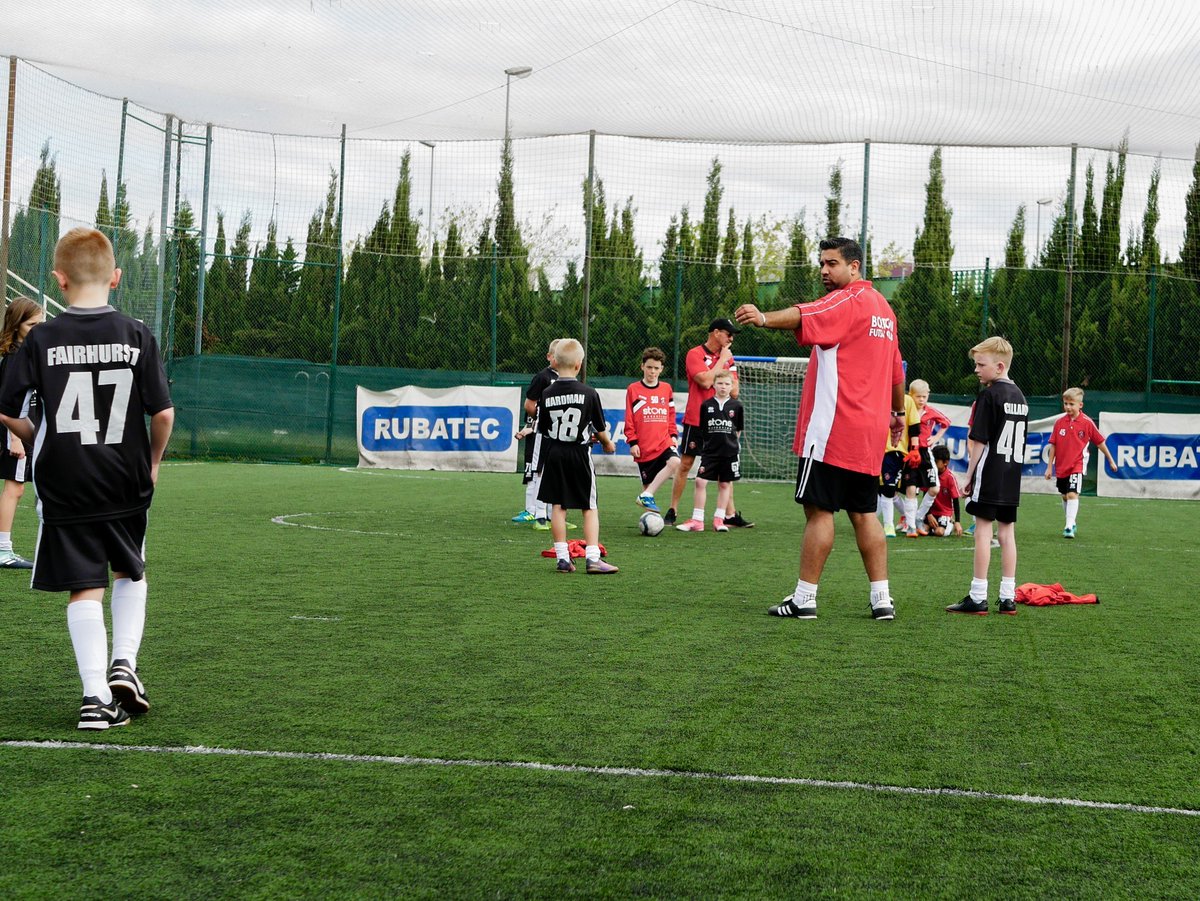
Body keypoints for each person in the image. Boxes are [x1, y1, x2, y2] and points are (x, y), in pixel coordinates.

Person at [0, 227, 175, 729]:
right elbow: (162, 414)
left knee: (84, 587)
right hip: (124, 476)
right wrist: (154, 462)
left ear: (59, 280)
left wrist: (32, 434)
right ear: (116, 277)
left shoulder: (42, 339)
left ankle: (96, 696)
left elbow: (8, 410)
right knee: (131, 569)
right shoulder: (137, 333)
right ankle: (125, 662)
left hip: (64, 480)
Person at [734, 236, 905, 621]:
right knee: (865, 514)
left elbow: (804, 314)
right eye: (822, 264)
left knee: (819, 511)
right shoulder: (885, 310)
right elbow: (897, 371)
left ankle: (804, 598)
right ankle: (882, 600)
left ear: (855, 267)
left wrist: (763, 318)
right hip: (868, 432)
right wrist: (897, 415)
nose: (825, 271)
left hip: (831, 430)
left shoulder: (849, 299)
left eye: (832, 264)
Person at [946, 336, 1026, 615]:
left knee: (982, 531)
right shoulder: (1020, 397)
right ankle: (1007, 597)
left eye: (981, 365)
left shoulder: (989, 395)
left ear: (1000, 366)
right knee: (1007, 533)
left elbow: (978, 440)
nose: (976, 370)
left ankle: (978, 595)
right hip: (1011, 474)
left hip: (990, 471)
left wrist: (968, 475)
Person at [536, 338, 618, 574]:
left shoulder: (547, 393)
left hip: (554, 453)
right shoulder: (589, 393)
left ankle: (563, 559)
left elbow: (543, 427)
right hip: (579, 454)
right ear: (579, 364)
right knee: (589, 506)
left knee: (558, 506)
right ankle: (593, 558)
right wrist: (607, 443)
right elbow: (599, 428)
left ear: (556, 361)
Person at [665, 318, 752, 529]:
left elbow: (734, 390)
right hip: (696, 419)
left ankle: (728, 514)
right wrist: (722, 360)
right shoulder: (695, 354)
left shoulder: (728, 360)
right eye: (728, 334)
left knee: (725, 467)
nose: (731, 338)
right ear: (715, 333)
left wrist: (722, 366)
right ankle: (673, 509)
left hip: (721, 423)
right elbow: (704, 381)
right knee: (685, 464)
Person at [0, 296, 44, 569]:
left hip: (27, 428)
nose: (37, 328)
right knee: (14, 489)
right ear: (17, 325)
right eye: (31, 324)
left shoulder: (26, 352)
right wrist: (15, 437)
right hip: (15, 431)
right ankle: (3, 550)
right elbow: (6, 403)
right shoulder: (15, 355)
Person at [1043, 386, 1119, 538]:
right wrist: (1049, 467)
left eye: (1071, 404)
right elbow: (1054, 445)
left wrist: (1111, 460)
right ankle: (1071, 521)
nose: (1068, 407)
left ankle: (1069, 526)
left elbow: (1100, 443)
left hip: (1077, 464)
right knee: (1065, 496)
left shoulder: (1087, 423)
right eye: (1065, 403)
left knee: (1072, 494)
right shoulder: (1059, 423)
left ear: (1080, 405)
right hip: (1062, 466)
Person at [676, 370, 743, 532]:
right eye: (720, 383)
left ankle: (719, 520)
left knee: (725, 483)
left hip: (729, 452)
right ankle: (697, 520)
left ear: (732, 386)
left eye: (727, 384)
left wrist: (732, 444)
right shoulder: (706, 405)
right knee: (700, 481)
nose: (723, 387)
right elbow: (704, 429)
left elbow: (738, 429)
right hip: (710, 451)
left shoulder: (737, 406)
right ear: (713, 385)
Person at [512, 338, 561, 529]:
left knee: (555, 472)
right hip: (542, 433)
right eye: (556, 355)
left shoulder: (568, 378)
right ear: (549, 356)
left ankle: (551, 515)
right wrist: (534, 425)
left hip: (559, 434)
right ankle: (536, 512)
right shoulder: (542, 377)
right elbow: (530, 405)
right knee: (537, 471)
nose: (559, 359)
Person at [624, 346, 679, 514]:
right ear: (642, 367)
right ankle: (650, 517)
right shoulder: (633, 389)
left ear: (661, 369)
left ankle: (646, 494)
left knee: (675, 462)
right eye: (649, 367)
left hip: (664, 442)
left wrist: (673, 434)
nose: (652, 372)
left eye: (656, 368)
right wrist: (632, 442)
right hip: (644, 447)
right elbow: (629, 418)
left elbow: (670, 414)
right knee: (648, 501)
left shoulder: (666, 388)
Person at [900, 378, 951, 537]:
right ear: (911, 395)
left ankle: (917, 517)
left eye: (924, 396)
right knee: (910, 489)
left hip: (925, 453)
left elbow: (946, 423)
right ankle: (910, 527)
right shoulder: (907, 410)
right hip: (909, 452)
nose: (921, 400)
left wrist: (935, 438)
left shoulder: (931, 412)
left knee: (934, 487)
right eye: (918, 396)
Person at [878, 391, 919, 538]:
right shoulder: (878, 395)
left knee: (890, 488)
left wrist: (915, 449)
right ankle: (889, 524)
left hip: (897, 451)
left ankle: (897, 523)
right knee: (885, 488)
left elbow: (914, 427)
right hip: (877, 449)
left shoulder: (907, 400)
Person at [924, 445, 963, 537]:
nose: (933, 464)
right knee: (922, 530)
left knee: (939, 532)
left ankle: (951, 523)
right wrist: (929, 514)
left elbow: (956, 500)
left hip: (944, 513)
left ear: (945, 462)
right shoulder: (930, 474)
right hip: (931, 512)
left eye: (936, 462)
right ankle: (931, 526)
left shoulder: (950, 478)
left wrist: (957, 521)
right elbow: (925, 495)